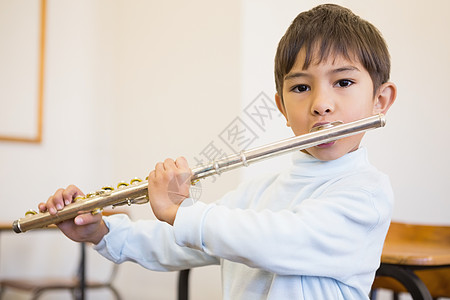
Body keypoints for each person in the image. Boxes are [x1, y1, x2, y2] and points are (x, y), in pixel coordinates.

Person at [39, 4, 396, 299]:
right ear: (283, 108)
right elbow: (181, 241)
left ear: (380, 101)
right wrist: (101, 232)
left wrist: (181, 212)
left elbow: (277, 239)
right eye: (301, 87)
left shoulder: (366, 194)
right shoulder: (259, 192)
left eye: (344, 82)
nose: (321, 104)